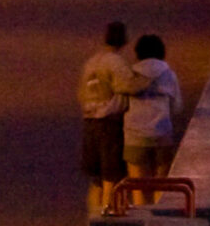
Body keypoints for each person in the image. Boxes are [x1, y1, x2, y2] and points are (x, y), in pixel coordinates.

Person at [77, 21, 135, 214]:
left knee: (96, 180)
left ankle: (92, 221)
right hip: (109, 124)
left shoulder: (91, 62)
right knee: (111, 177)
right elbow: (127, 87)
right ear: (123, 40)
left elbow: (81, 93)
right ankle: (107, 218)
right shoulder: (115, 62)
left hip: (89, 122)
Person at [123, 33, 183, 186]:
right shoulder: (169, 75)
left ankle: (140, 209)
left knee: (137, 186)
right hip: (162, 134)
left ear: (138, 53)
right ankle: (158, 208)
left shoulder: (131, 75)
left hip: (134, 136)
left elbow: (122, 104)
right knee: (161, 185)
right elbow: (177, 107)